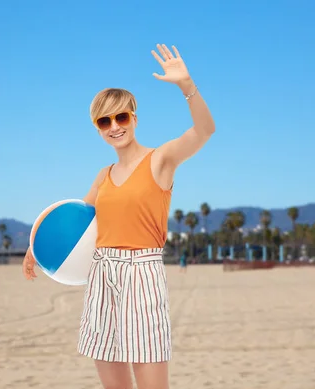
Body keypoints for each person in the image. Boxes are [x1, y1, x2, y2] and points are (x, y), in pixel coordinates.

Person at [22, 43, 215, 389]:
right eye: (104, 120)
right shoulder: (104, 175)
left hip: (142, 273)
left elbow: (204, 132)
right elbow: (72, 221)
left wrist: (187, 86)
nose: (114, 126)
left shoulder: (160, 160)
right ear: (98, 128)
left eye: (121, 116)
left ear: (134, 118)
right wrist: (35, 248)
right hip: (101, 273)